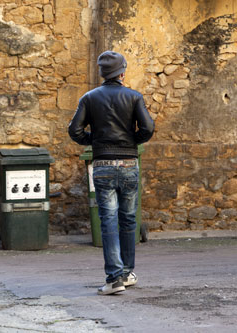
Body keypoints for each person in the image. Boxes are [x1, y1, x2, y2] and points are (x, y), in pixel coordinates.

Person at [68, 51, 154, 295]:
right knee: (128, 219)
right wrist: (131, 142)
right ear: (122, 73)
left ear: (102, 73)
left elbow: (74, 130)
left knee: (108, 220)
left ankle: (114, 278)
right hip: (128, 163)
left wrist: (94, 142)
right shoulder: (134, 97)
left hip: (103, 164)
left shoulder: (89, 98)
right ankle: (126, 274)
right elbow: (148, 128)